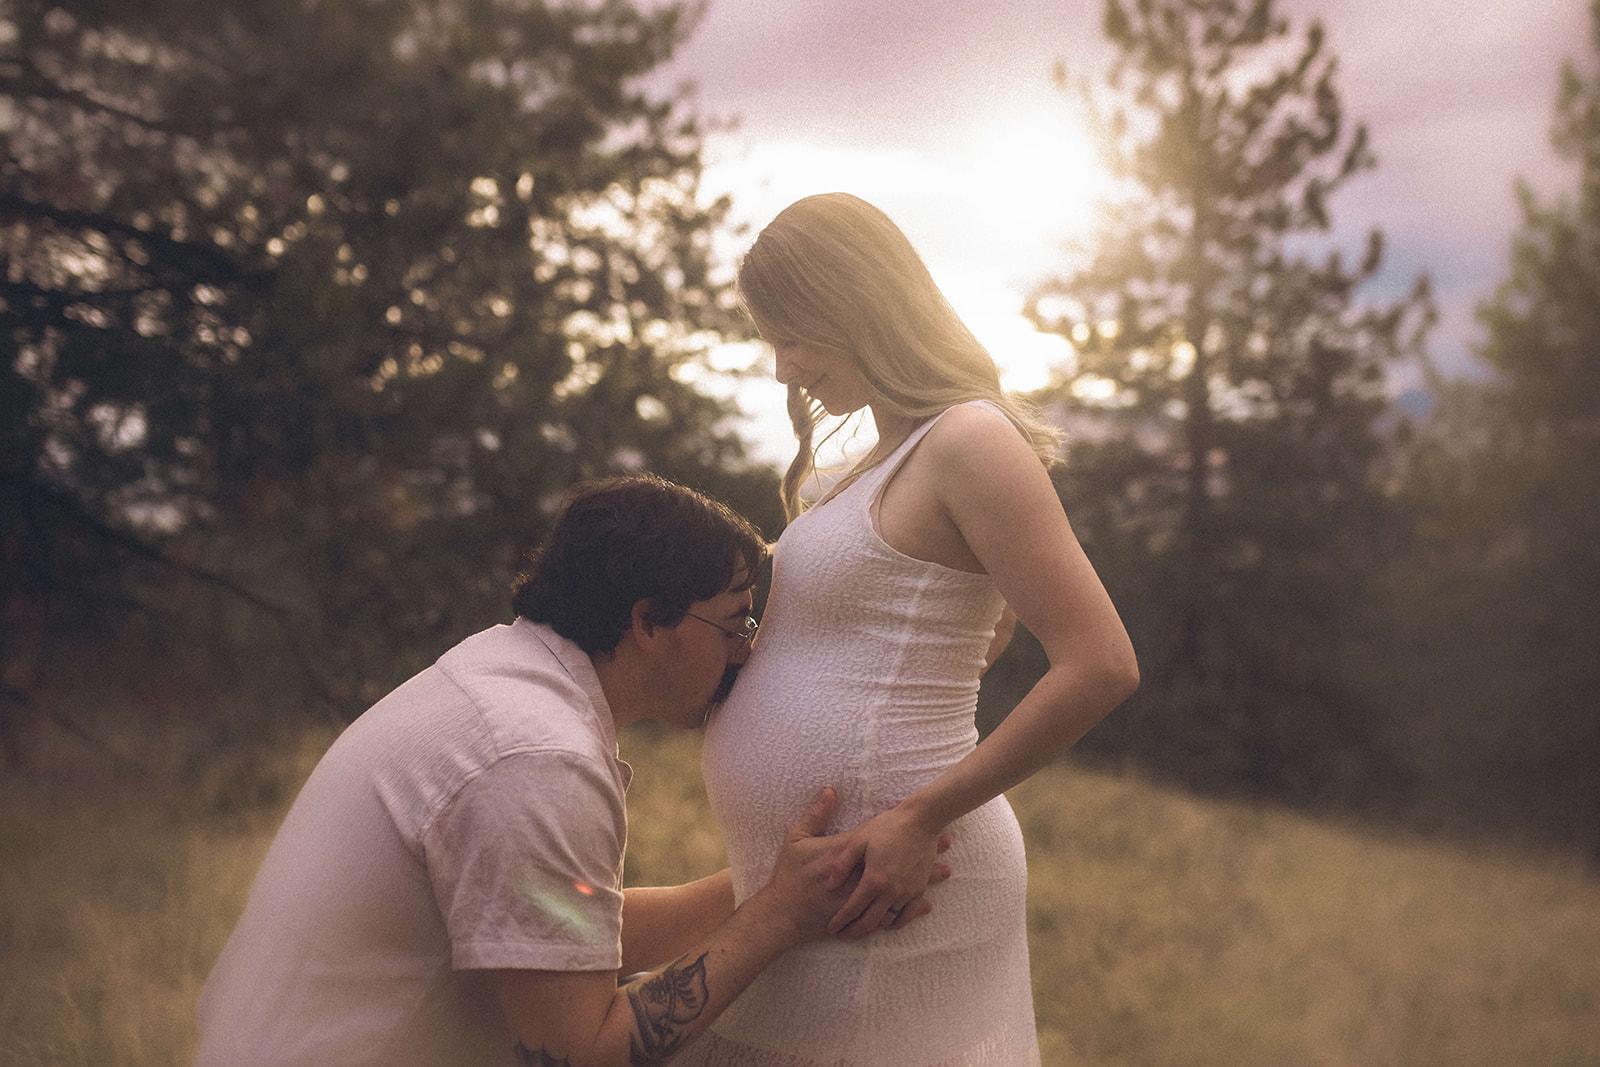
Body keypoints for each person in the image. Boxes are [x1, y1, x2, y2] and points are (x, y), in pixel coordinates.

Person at [193, 473, 948, 1067]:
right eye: (734, 621)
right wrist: (781, 915)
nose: (746, 650)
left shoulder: (504, 680)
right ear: (650, 621)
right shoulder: (534, 757)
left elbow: (560, 936)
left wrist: (775, 884)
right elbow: (582, 1052)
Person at [674, 193, 1141, 1067]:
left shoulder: (968, 438)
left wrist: (919, 815)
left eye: (796, 335)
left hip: (900, 887)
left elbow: (1101, 662)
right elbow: (971, 631)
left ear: (858, 305)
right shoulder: (857, 472)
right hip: (820, 889)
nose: (784, 367)